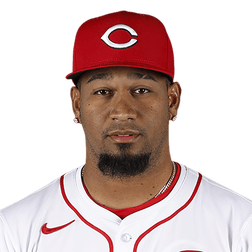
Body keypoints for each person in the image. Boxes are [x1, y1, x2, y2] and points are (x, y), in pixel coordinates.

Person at [0, 8, 251, 252]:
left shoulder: (240, 225)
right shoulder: (14, 229)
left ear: (173, 100)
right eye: (102, 92)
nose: (122, 111)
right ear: (76, 104)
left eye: (141, 90)